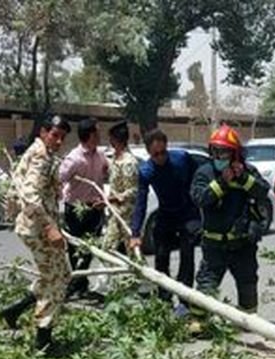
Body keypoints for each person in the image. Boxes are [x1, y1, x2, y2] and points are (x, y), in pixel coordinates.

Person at [0, 115, 72, 353]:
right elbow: (30, 194)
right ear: (43, 132)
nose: (59, 141)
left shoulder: (39, 151)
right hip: (39, 228)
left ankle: (14, 310)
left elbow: (14, 188)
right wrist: (50, 227)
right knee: (55, 280)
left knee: (61, 273)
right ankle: (43, 340)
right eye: (55, 135)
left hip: (34, 225)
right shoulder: (41, 155)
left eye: (62, 137)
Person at [191, 124, 270, 312]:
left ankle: (248, 322)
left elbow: (263, 192)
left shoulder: (247, 172)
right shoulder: (205, 172)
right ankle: (199, 324)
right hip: (213, 247)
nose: (218, 157)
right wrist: (222, 183)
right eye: (215, 152)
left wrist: (242, 178)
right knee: (205, 288)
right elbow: (200, 199)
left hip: (242, 245)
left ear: (235, 154)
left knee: (248, 285)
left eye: (224, 153)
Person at [129, 129, 201, 304]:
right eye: (156, 154)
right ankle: (164, 299)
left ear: (167, 147)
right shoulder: (146, 171)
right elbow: (141, 202)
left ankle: (185, 300)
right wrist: (135, 233)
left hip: (187, 213)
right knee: (160, 257)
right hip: (166, 215)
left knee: (187, 255)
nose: (160, 157)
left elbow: (199, 178)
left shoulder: (182, 159)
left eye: (163, 153)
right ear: (148, 152)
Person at [59, 118, 110, 297]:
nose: (100, 135)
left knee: (91, 247)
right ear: (90, 135)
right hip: (75, 208)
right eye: (97, 132)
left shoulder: (100, 155)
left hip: (95, 208)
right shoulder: (73, 158)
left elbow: (105, 172)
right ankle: (78, 284)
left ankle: (78, 283)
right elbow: (59, 179)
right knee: (74, 247)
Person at [103, 121, 139, 255]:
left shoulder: (128, 162)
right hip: (115, 212)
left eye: (111, 138)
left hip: (126, 213)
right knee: (108, 249)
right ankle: (118, 275)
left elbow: (133, 190)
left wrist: (114, 198)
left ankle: (137, 275)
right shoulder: (115, 158)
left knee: (132, 251)